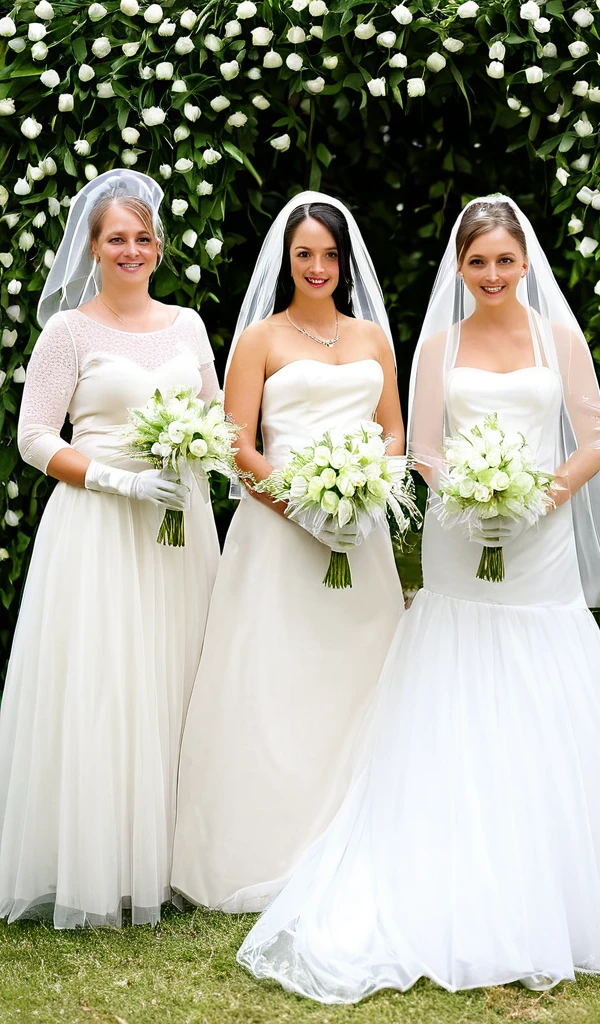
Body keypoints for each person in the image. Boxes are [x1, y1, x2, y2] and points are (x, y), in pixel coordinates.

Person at [237, 196, 600, 1002]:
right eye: (478, 263)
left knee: (540, 679)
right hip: (458, 535)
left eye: (505, 261)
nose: (493, 275)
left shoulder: (563, 340)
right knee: (457, 674)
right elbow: (425, 452)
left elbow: (597, 438)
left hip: (538, 541)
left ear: (524, 261)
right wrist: (472, 499)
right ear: (461, 267)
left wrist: (540, 498)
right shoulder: (438, 346)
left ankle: (553, 876)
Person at [171, 192, 405, 912]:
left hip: (360, 538)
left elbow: (394, 432)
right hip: (278, 534)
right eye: (305, 254)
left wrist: (365, 494)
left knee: (360, 686)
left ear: (345, 260)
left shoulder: (370, 338)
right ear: (286, 260)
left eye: (330, 254)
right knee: (277, 688)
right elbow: (237, 445)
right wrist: (306, 507)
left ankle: (359, 840)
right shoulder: (261, 339)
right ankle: (267, 851)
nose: (318, 266)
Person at [0, 169, 220, 929]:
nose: (132, 250)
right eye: (116, 239)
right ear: (92, 248)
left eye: (143, 238)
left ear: (159, 245)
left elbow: (215, 418)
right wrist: (113, 482)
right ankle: (94, 862)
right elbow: (32, 438)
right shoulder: (69, 331)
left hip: (176, 525)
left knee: (172, 676)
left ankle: (167, 858)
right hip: (97, 526)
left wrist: (192, 458)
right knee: (104, 683)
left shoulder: (188, 325)